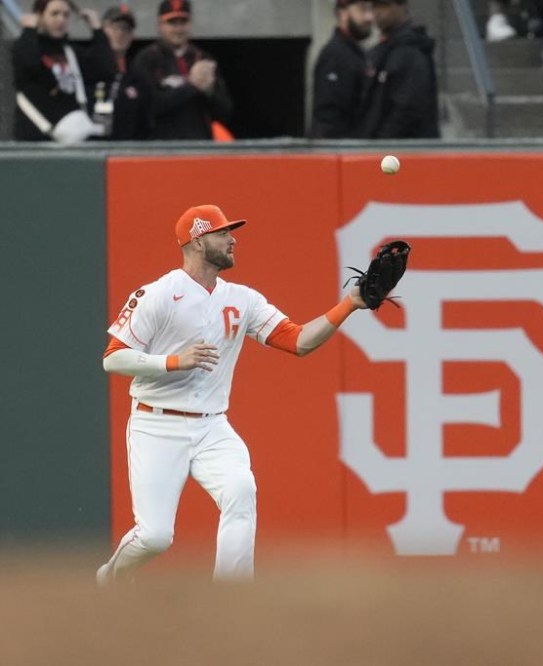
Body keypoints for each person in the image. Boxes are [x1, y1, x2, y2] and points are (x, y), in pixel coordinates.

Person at [97, 204, 371, 583]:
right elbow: (113, 358)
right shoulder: (158, 294)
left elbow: (298, 341)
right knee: (155, 537)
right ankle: (110, 578)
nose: (232, 239)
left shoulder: (243, 299)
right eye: (222, 232)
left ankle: (230, 596)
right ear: (197, 241)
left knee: (241, 489)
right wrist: (174, 362)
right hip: (156, 423)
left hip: (212, 426)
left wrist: (349, 305)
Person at [129, 0, 233, 140]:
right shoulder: (146, 59)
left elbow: (225, 113)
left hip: (198, 144)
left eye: (183, 23)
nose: (178, 29)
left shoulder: (203, 58)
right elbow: (146, 109)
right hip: (160, 145)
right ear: (160, 25)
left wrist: (210, 92)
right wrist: (191, 86)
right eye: (172, 23)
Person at [12, 0, 103, 142]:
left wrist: (97, 30)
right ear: (39, 16)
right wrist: (29, 30)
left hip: (72, 138)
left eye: (66, 15)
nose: (61, 20)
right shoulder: (27, 47)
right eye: (54, 14)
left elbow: (105, 70)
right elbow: (28, 64)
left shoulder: (72, 52)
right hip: (36, 139)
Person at [358, 0, 440, 139]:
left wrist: (381, 143)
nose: (377, 12)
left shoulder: (410, 52)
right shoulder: (382, 51)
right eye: (374, 6)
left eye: (384, 5)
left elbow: (408, 109)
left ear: (401, 7)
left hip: (404, 147)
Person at [85, 4, 152, 139]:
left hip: (125, 147)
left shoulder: (138, 77)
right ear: (103, 29)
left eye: (126, 29)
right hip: (88, 146)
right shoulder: (86, 64)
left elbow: (145, 122)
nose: (120, 33)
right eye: (115, 27)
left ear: (132, 36)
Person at [309, 0, 374, 139]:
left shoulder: (356, 54)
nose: (369, 17)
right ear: (342, 13)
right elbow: (329, 116)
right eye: (362, 9)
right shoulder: (336, 56)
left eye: (370, 9)